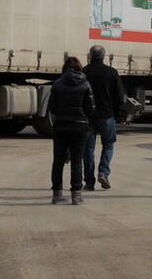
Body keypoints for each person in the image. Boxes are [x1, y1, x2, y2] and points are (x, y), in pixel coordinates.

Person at [48, 56, 95, 205]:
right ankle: (76, 196)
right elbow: (91, 108)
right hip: (80, 127)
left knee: (58, 160)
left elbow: (52, 108)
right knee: (76, 161)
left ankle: (57, 195)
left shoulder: (57, 84)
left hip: (61, 126)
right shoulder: (86, 84)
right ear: (79, 67)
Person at [83, 45, 125, 191]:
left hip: (88, 116)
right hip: (107, 115)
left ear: (90, 55)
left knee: (88, 149)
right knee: (108, 145)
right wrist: (119, 114)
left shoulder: (84, 72)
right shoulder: (111, 72)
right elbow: (120, 97)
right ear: (104, 56)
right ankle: (103, 173)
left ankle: (89, 181)